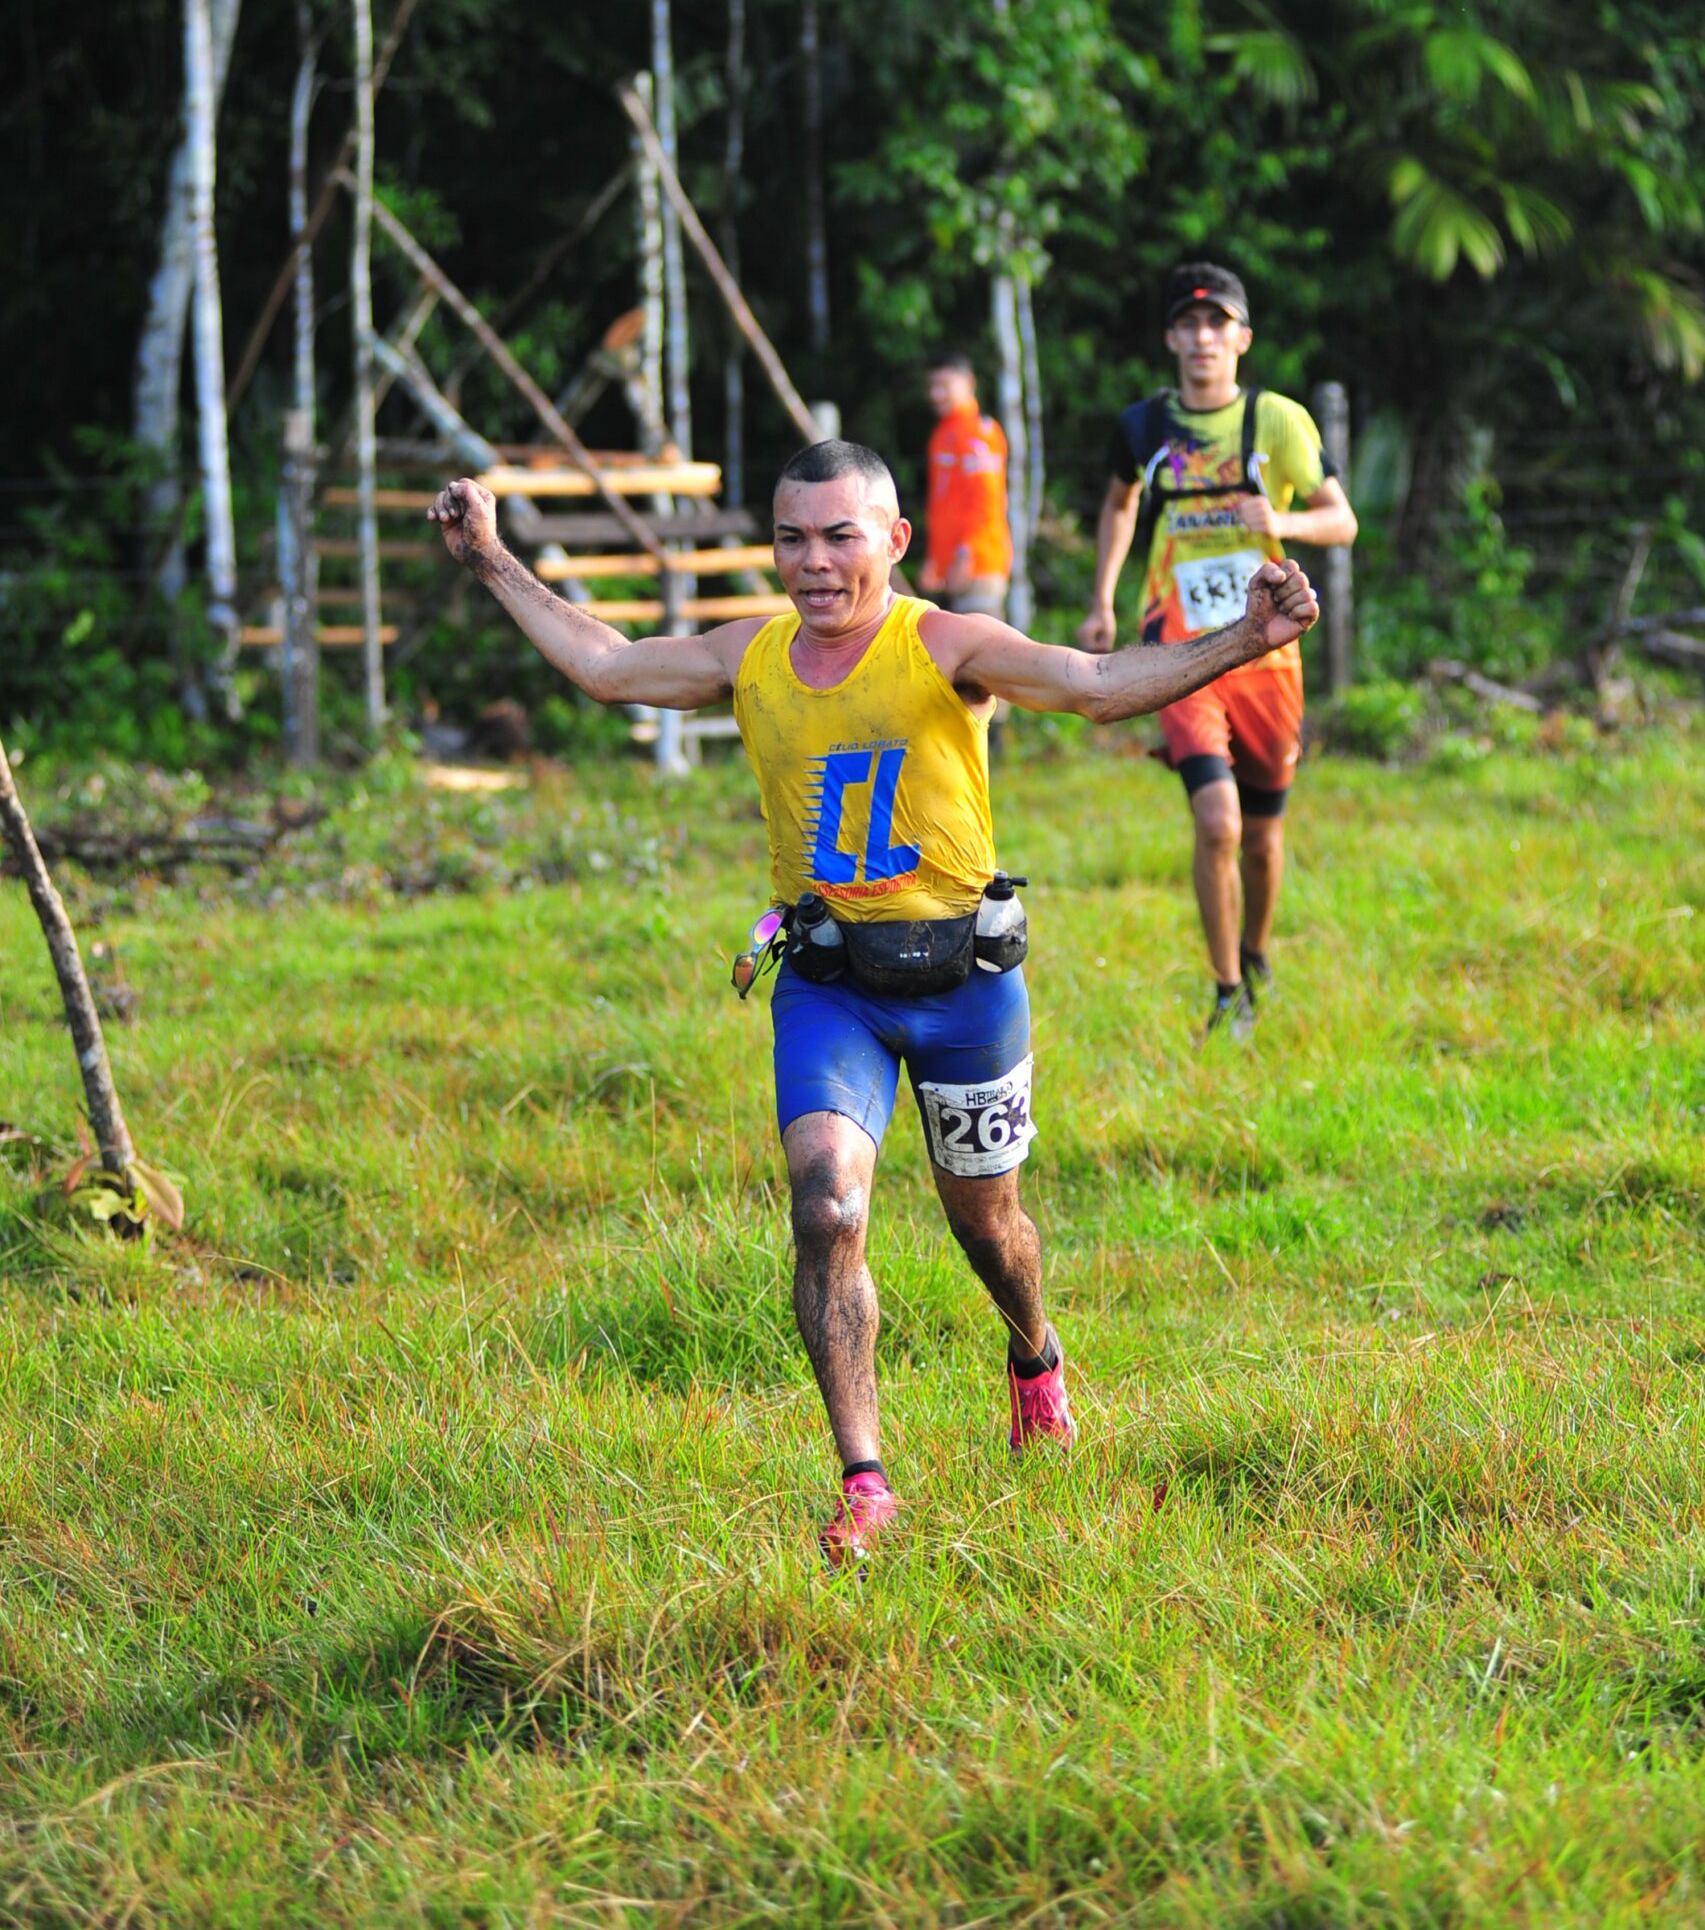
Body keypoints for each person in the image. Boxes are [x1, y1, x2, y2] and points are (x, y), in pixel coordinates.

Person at [430, 441, 1318, 1563]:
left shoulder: (944, 645)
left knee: (987, 1226)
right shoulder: (750, 656)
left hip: (965, 987)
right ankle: (865, 1482)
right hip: (828, 984)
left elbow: (1093, 688)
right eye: (791, 537)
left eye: (839, 535)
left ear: (893, 541)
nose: (813, 562)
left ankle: (1035, 1356)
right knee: (826, 1210)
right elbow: (607, 665)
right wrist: (490, 557)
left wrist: (1244, 638)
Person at [1077, 263, 1357, 1039]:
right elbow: (1118, 505)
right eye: (1188, 324)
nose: (1202, 338)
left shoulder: (1277, 421)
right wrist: (1101, 600)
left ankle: (1255, 957)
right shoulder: (1142, 427)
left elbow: (1341, 521)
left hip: (1268, 653)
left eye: (1217, 323)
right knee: (1218, 823)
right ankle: (1226, 989)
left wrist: (1281, 522)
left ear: (1242, 338)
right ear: (1170, 339)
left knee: (1261, 838)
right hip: (1180, 647)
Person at [919, 356, 1012, 616]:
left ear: (969, 383)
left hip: (977, 566)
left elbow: (986, 501)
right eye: (932, 386)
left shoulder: (979, 433)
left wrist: (965, 555)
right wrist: (935, 560)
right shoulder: (943, 433)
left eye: (944, 385)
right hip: (953, 570)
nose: (936, 394)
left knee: (982, 639)